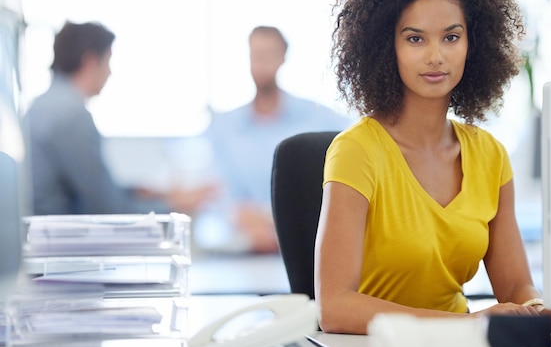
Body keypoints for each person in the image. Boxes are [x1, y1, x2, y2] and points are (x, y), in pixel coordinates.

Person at [314, 0, 551, 335]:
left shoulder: (489, 154)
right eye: (415, 39)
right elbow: (335, 308)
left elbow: (514, 286)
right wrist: (467, 325)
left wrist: (540, 309)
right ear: (385, 47)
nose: (436, 56)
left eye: (451, 37)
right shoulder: (356, 151)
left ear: (473, 44)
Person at [24, 21, 216, 216]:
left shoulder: (44, 105)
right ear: (90, 62)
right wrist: (176, 208)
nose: (110, 72)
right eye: (108, 61)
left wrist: (140, 193)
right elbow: (109, 211)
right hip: (57, 238)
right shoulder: (71, 115)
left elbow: (94, 190)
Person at [201, 25, 352, 254]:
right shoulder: (224, 127)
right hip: (243, 243)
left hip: (306, 240)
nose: (261, 63)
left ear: (282, 58)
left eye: (268, 55)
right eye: (255, 55)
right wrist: (243, 220)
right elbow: (218, 191)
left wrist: (276, 223)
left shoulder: (319, 119)